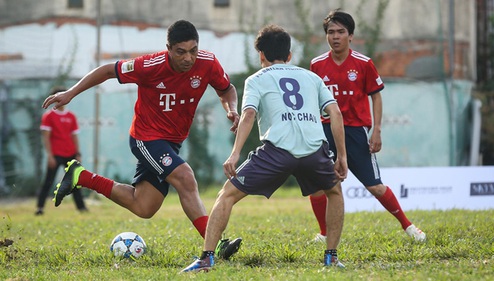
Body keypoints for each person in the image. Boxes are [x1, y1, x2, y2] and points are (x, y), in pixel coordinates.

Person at [41, 20, 242, 259]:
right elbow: (107, 70)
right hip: (146, 138)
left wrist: (232, 108)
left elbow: (226, 89)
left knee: (144, 207)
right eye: (181, 52)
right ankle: (216, 245)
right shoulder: (148, 65)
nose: (188, 58)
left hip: (171, 142)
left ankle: (82, 176)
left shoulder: (207, 63)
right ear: (168, 48)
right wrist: (70, 93)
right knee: (185, 178)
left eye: (193, 51)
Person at [182, 24, 348, 272]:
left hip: (277, 153)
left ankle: (206, 259)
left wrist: (235, 154)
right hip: (315, 151)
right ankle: (331, 258)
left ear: (261, 55)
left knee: (226, 195)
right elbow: (335, 113)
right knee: (334, 193)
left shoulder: (256, 79)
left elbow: (248, 114)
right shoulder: (312, 77)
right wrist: (342, 155)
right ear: (289, 55)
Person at [308, 9, 426, 243]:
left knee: (374, 186)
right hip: (326, 130)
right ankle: (324, 234)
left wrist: (377, 130)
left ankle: (409, 226)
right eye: (331, 32)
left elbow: (376, 96)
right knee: (319, 187)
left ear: (350, 36)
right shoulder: (317, 65)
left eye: (341, 32)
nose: (335, 37)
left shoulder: (363, 64)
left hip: (356, 132)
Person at [35, 86, 88, 216]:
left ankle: (81, 208)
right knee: (48, 181)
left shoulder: (71, 116)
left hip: (70, 154)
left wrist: (78, 153)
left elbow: (74, 136)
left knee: (75, 181)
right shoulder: (48, 116)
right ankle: (40, 207)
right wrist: (50, 156)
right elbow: (46, 137)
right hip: (56, 155)